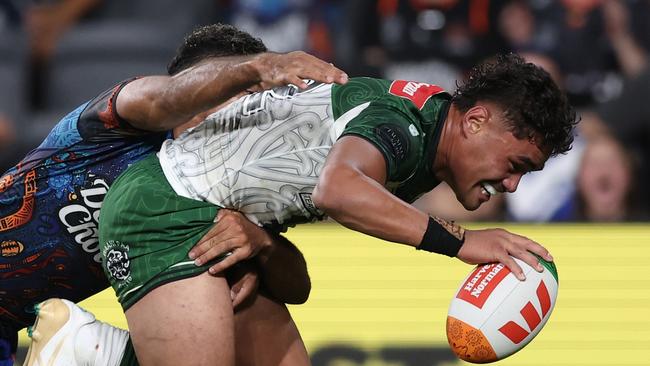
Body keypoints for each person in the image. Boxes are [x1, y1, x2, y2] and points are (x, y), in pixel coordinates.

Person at [37, 52, 574, 366]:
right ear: (475, 120)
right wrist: (461, 243)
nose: (512, 183)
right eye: (516, 163)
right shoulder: (400, 128)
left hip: (216, 215)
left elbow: (297, 285)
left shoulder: (427, 132)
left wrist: (263, 242)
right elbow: (338, 190)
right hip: (166, 206)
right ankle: (90, 352)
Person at [0, 23, 348, 366]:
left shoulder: (233, 178)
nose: (246, 119)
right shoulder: (123, 117)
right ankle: (101, 354)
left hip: (10, 325)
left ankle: (94, 352)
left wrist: (261, 243)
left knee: (244, 289)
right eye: (236, 98)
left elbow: (297, 288)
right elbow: (164, 97)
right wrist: (258, 68)